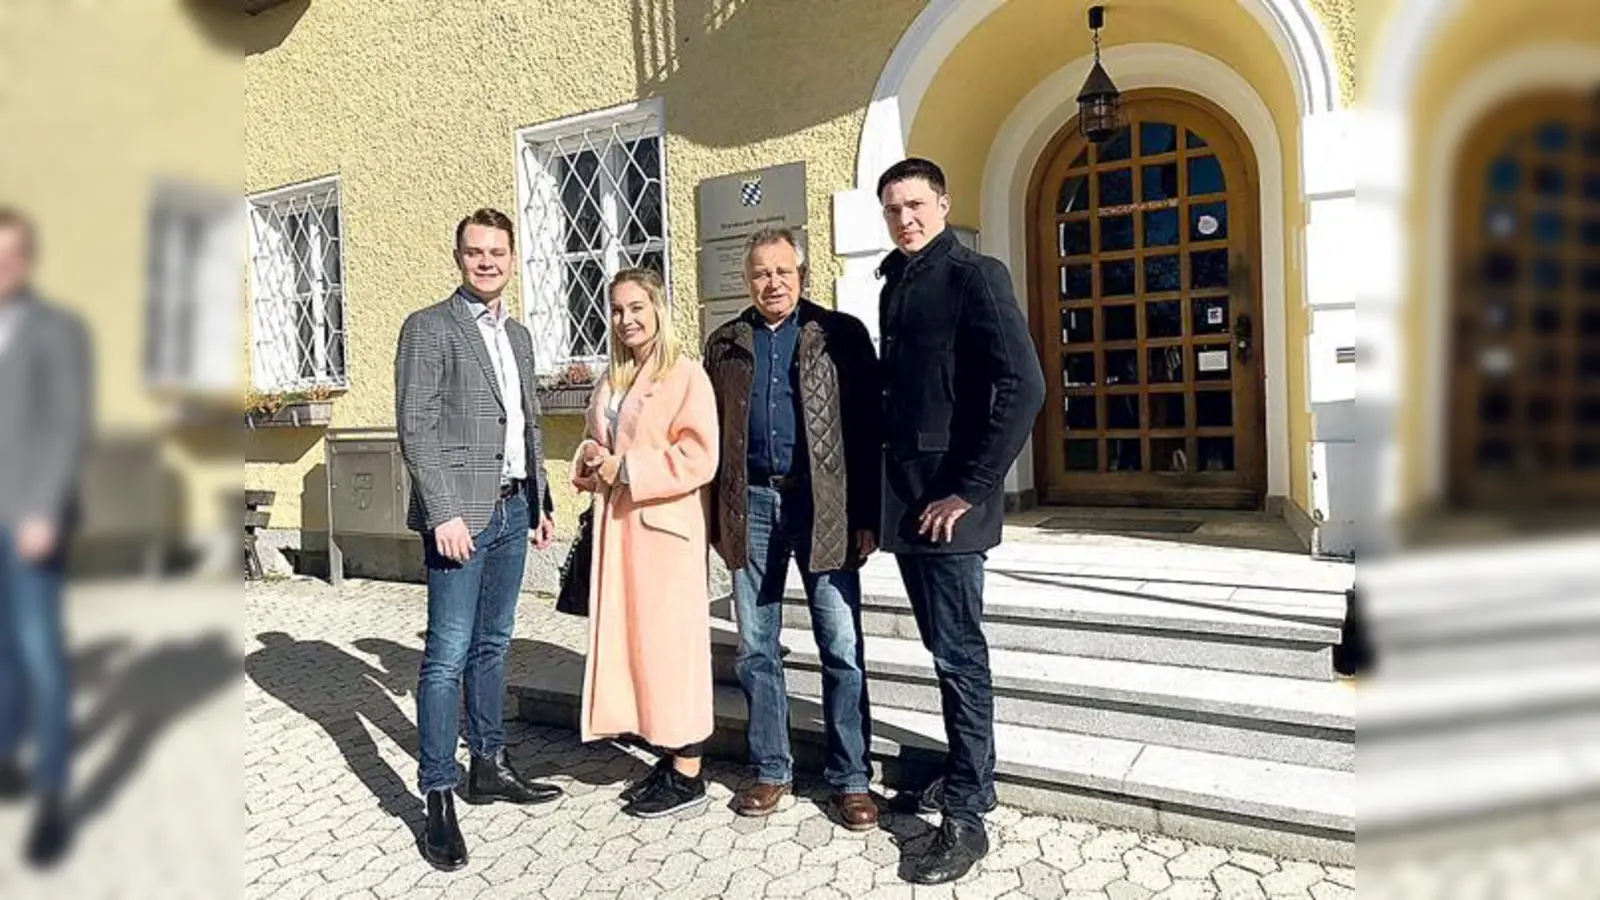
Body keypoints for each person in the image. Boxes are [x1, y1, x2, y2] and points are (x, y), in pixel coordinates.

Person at [874, 159, 1046, 884]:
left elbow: (1024, 385)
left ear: (943, 204)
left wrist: (971, 489)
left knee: (958, 655)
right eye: (893, 209)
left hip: (951, 509)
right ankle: (971, 772)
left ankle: (968, 814)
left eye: (916, 204)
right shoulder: (896, 281)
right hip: (909, 504)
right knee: (944, 650)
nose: (905, 218)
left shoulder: (976, 276)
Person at [395, 208, 562, 872]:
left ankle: (488, 763)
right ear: (458, 257)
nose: (486, 262)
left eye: (497, 252)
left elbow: (526, 423)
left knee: (494, 645)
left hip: (515, 510)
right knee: (446, 656)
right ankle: (438, 793)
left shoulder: (517, 335)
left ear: (513, 258)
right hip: (460, 519)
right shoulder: (429, 327)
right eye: (475, 252)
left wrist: (541, 501)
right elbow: (416, 427)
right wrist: (443, 514)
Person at [702, 228, 880, 829]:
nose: (772, 282)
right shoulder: (726, 343)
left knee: (841, 647)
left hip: (824, 505)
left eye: (783, 271)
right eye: (760, 273)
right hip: (751, 502)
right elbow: (710, 434)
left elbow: (867, 429)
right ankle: (771, 768)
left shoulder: (839, 335)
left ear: (802, 274)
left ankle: (851, 779)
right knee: (756, 648)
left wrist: (867, 516)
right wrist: (716, 518)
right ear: (746, 279)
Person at [572, 267, 720, 819]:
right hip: (621, 531)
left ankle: (690, 772)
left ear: (658, 308)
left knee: (673, 650)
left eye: (636, 307)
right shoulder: (614, 375)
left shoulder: (685, 375)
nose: (626, 319)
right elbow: (598, 438)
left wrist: (629, 468)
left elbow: (700, 455)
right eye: (617, 309)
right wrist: (592, 455)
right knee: (639, 648)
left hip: (665, 534)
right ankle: (668, 754)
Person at [0, 206, 91, 868]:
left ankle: (54, 797)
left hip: (30, 520)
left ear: (26, 261)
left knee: (38, 651)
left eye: (11, 255)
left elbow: (66, 427)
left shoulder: (57, 330)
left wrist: (41, 512)